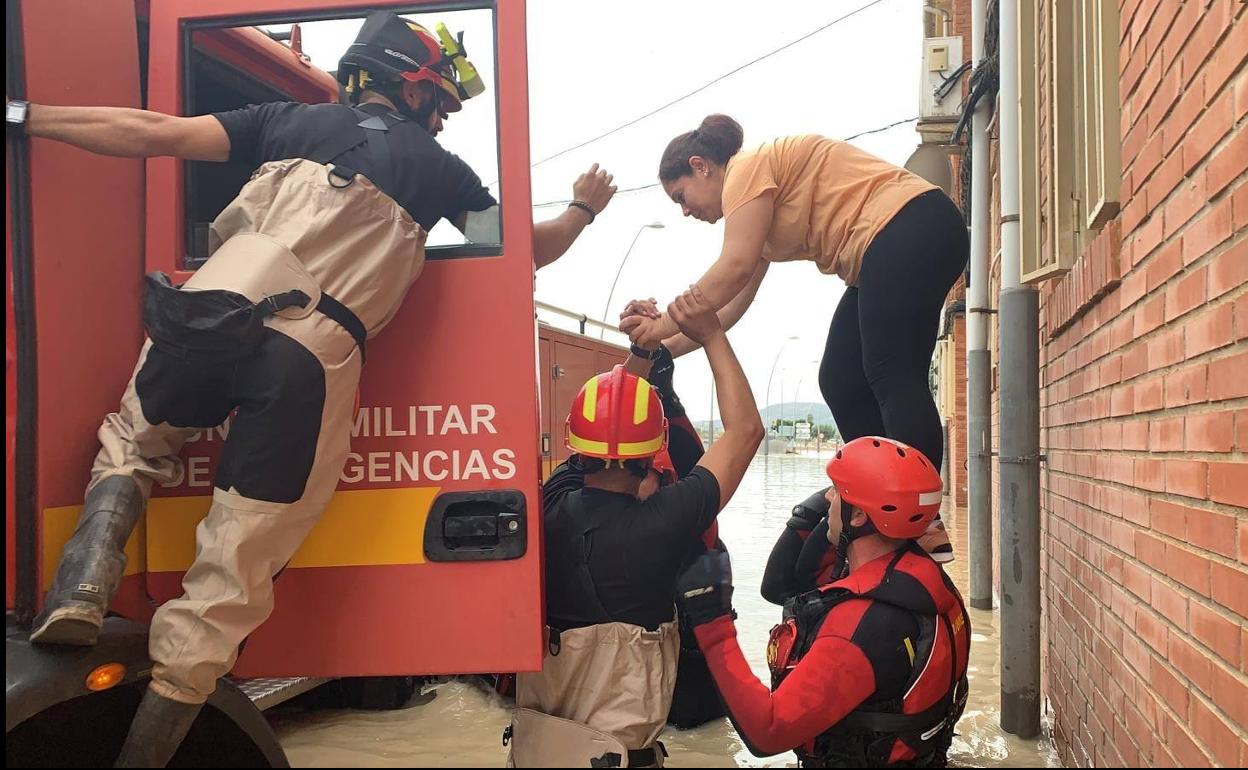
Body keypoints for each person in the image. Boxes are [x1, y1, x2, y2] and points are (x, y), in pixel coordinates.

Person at [16, 12, 614, 766]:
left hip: (207, 309)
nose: (442, 116)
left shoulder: (282, 117)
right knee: (230, 573)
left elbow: (149, 130)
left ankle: (80, 590)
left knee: (132, 443)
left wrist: (27, 115)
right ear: (415, 87)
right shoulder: (438, 170)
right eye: (441, 101)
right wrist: (585, 209)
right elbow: (531, 250)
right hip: (305, 359)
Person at [624, 114, 969, 561]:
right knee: (841, 379)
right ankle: (881, 497)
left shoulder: (748, 168)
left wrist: (661, 321)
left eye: (681, 196)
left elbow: (731, 270)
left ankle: (919, 517)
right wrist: (654, 347)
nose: (685, 210)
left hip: (911, 226)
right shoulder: (757, 219)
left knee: (890, 372)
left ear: (701, 165)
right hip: (892, 245)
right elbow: (725, 310)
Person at [506, 286, 763, 767]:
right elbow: (746, 429)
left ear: (574, 443)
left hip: (536, 751)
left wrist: (643, 351)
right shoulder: (663, 524)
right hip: (618, 757)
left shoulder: (551, 502)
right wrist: (711, 334)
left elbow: (610, 416)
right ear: (656, 450)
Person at [675, 436, 971, 767]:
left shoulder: (858, 628)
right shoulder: (925, 577)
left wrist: (711, 622)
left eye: (835, 491)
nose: (828, 496)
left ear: (858, 515)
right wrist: (804, 519)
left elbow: (766, 731)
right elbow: (781, 589)